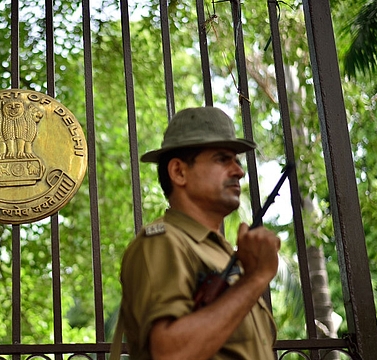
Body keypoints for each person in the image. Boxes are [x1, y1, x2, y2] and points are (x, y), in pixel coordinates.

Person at [115, 106, 280, 360]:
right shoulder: (163, 242)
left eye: (236, 160)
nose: (238, 171)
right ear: (179, 172)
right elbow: (170, 353)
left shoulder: (221, 251)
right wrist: (255, 279)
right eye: (222, 159)